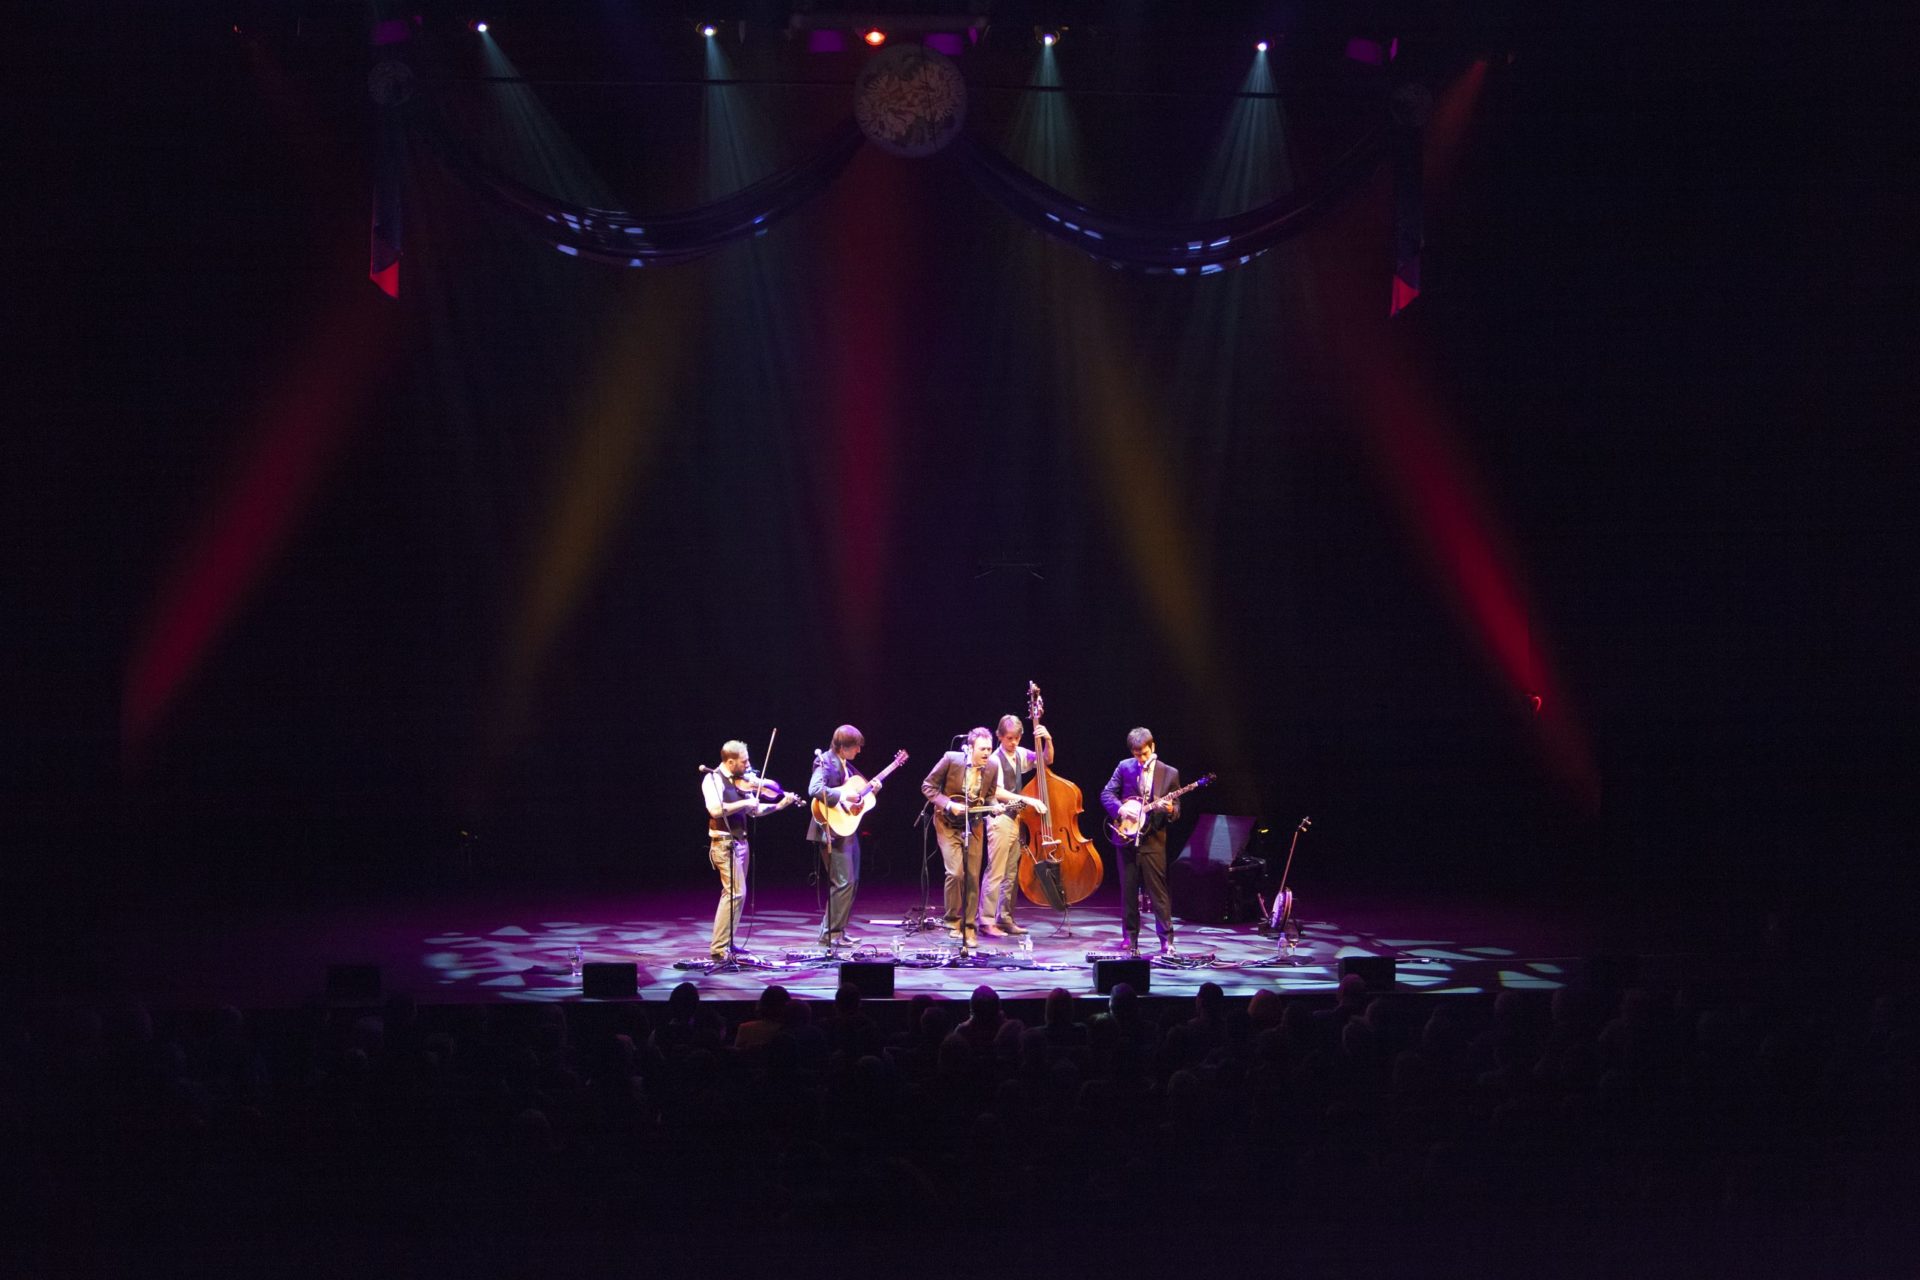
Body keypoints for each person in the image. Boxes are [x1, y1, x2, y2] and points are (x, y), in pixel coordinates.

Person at [921, 727, 1030, 944]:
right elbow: (928, 786)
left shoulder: (991, 766)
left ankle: (969, 926)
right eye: (982, 749)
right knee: (955, 872)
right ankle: (953, 919)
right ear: (970, 748)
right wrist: (949, 804)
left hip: (974, 824)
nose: (987, 753)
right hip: (947, 823)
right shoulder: (951, 760)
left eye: (989, 749)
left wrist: (995, 807)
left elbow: (989, 797)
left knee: (972, 875)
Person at [701, 739, 800, 962]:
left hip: (741, 844)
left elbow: (754, 811)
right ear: (730, 761)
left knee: (736, 895)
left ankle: (728, 943)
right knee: (735, 893)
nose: (748, 765)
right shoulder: (712, 779)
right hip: (724, 844)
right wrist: (745, 804)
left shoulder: (741, 783)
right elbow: (716, 810)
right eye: (744, 762)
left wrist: (779, 805)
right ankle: (718, 948)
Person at [1100, 727, 1182, 954]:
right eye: (1137, 755)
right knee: (1128, 892)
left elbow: (1176, 811)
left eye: (1144, 753)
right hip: (1127, 838)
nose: (1141, 759)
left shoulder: (1169, 773)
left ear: (1152, 747)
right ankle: (1130, 938)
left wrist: (1169, 809)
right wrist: (1122, 809)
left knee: (1158, 893)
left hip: (1154, 841)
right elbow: (1107, 794)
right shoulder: (1124, 767)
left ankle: (1166, 939)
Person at [979, 714, 1053, 937]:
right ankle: (986, 921)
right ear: (999, 736)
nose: (1013, 743)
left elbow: (1045, 760)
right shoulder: (994, 760)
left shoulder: (1019, 754)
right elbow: (997, 792)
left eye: (1017, 738)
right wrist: (1028, 800)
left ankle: (1005, 919)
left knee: (1011, 873)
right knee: (996, 871)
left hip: (1015, 819)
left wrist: (1047, 740)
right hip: (999, 818)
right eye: (1009, 738)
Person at [807, 724, 877, 948]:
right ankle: (830, 934)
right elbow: (815, 789)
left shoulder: (847, 765)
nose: (859, 751)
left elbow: (859, 792)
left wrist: (872, 788)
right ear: (844, 746)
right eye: (856, 747)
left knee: (851, 882)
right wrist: (844, 796)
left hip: (847, 829)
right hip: (831, 830)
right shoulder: (825, 761)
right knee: (842, 882)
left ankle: (838, 930)